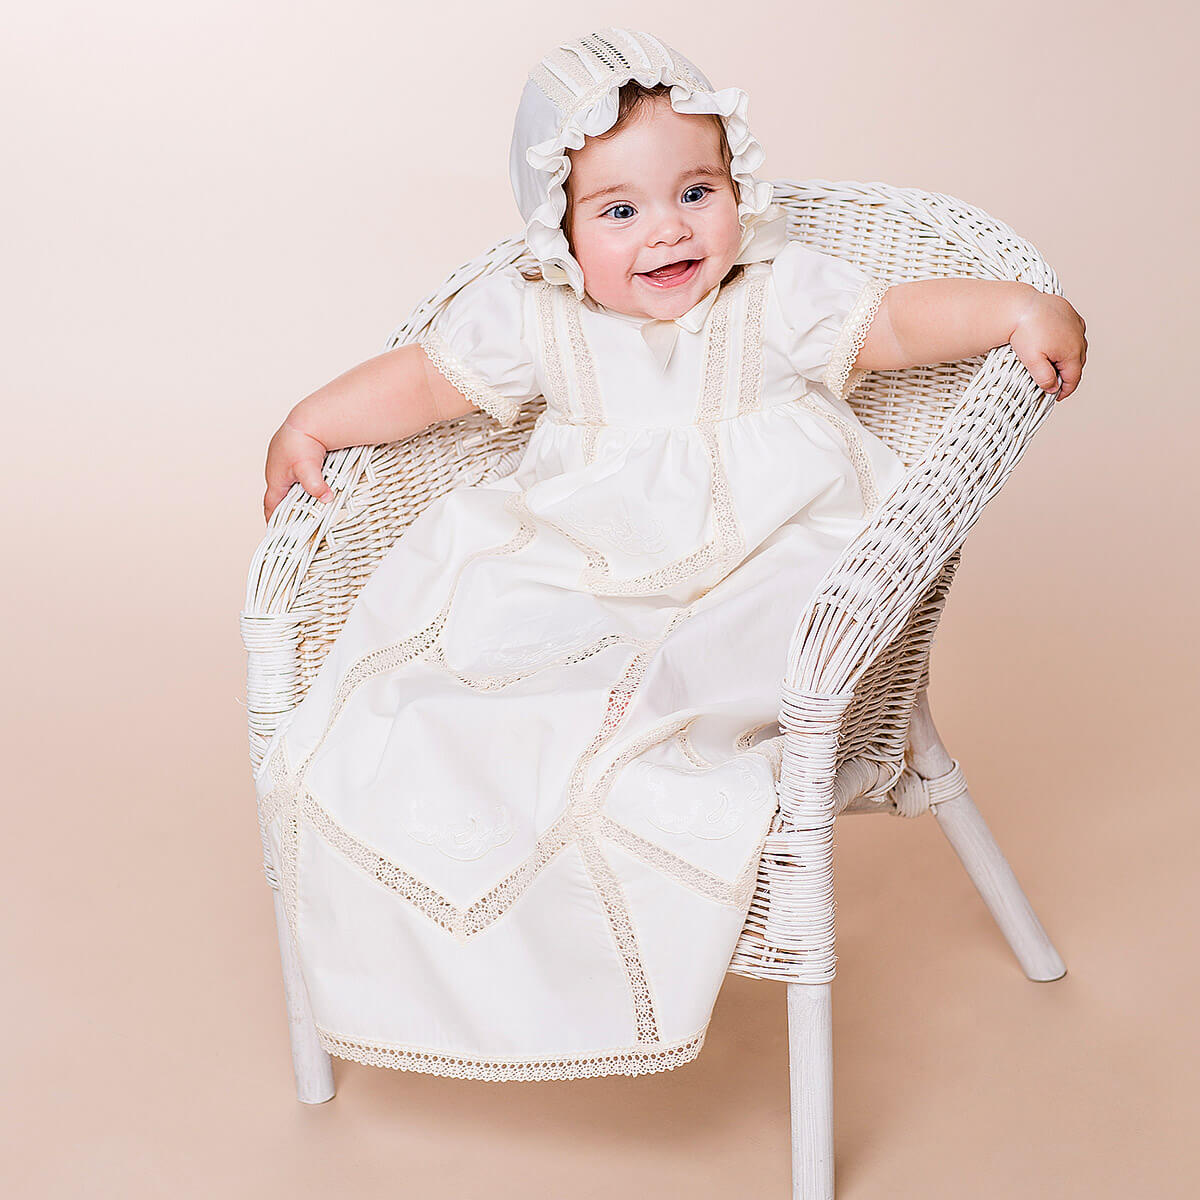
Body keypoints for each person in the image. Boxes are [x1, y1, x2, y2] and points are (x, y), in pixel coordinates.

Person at [254, 28, 1086, 1083]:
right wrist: (312, 422)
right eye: (620, 211)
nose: (668, 232)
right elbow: (424, 383)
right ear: (560, 231)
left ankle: (654, 718)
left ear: (736, 184)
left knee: (751, 629)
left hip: (764, 549)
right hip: (589, 561)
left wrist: (1012, 309)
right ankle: (564, 762)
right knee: (478, 667)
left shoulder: (775, 297)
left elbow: (898, 326)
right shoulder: (539, 317)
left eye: (698, 191)